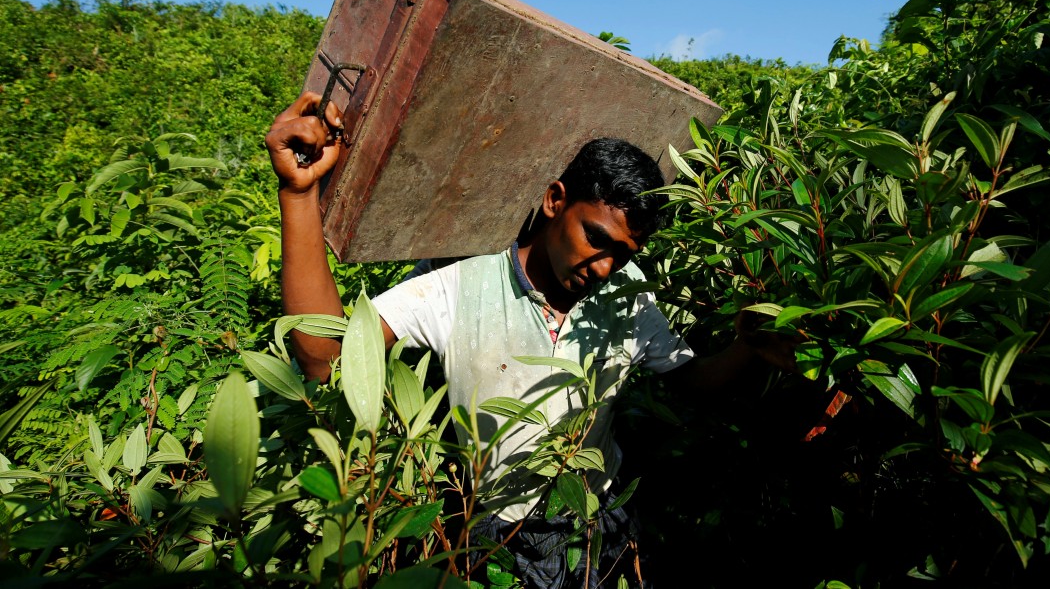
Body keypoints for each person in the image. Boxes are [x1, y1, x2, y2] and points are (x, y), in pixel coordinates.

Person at [266, 91, 792, 588]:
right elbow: (327, 359)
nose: (605, 267)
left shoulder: (628, 295)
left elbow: (688, 380)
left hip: (597, 521)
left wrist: (749, 347)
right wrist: (299, 193)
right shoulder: (460, 283)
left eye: (623, 255)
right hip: (497, 536)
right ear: (554, 201)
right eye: (596, 239)